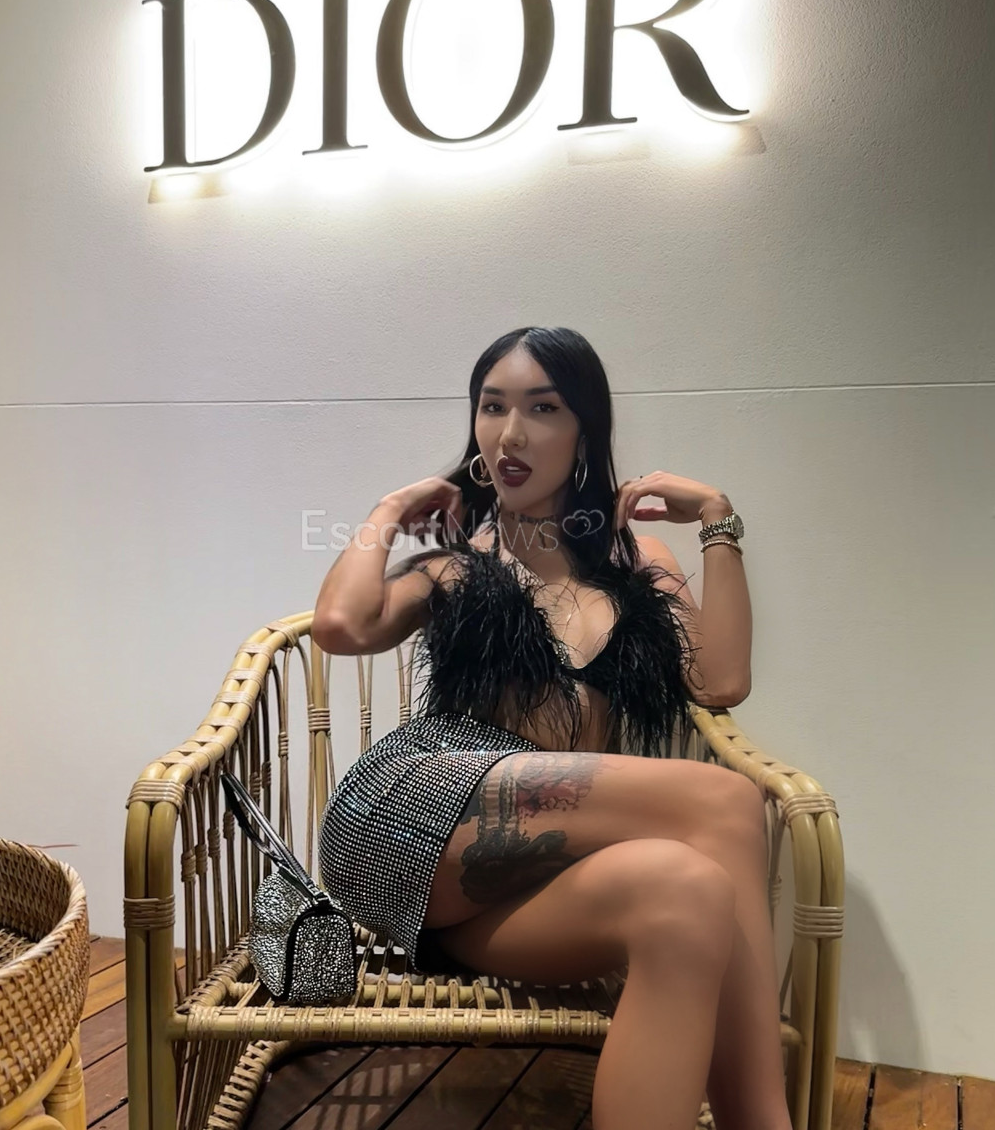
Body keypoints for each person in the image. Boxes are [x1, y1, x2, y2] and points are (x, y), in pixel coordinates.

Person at [313, 327, 787, 1130]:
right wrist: (388, 512)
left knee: (687, 893)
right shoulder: (458, 563)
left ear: (585, 429)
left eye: (542, 408)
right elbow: (340, 626)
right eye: (492, 407)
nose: (510, 434)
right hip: (412, 811)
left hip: (505, 895)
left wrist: (717, 519)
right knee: (728, 801)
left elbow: (721, 682)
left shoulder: (639, 559)